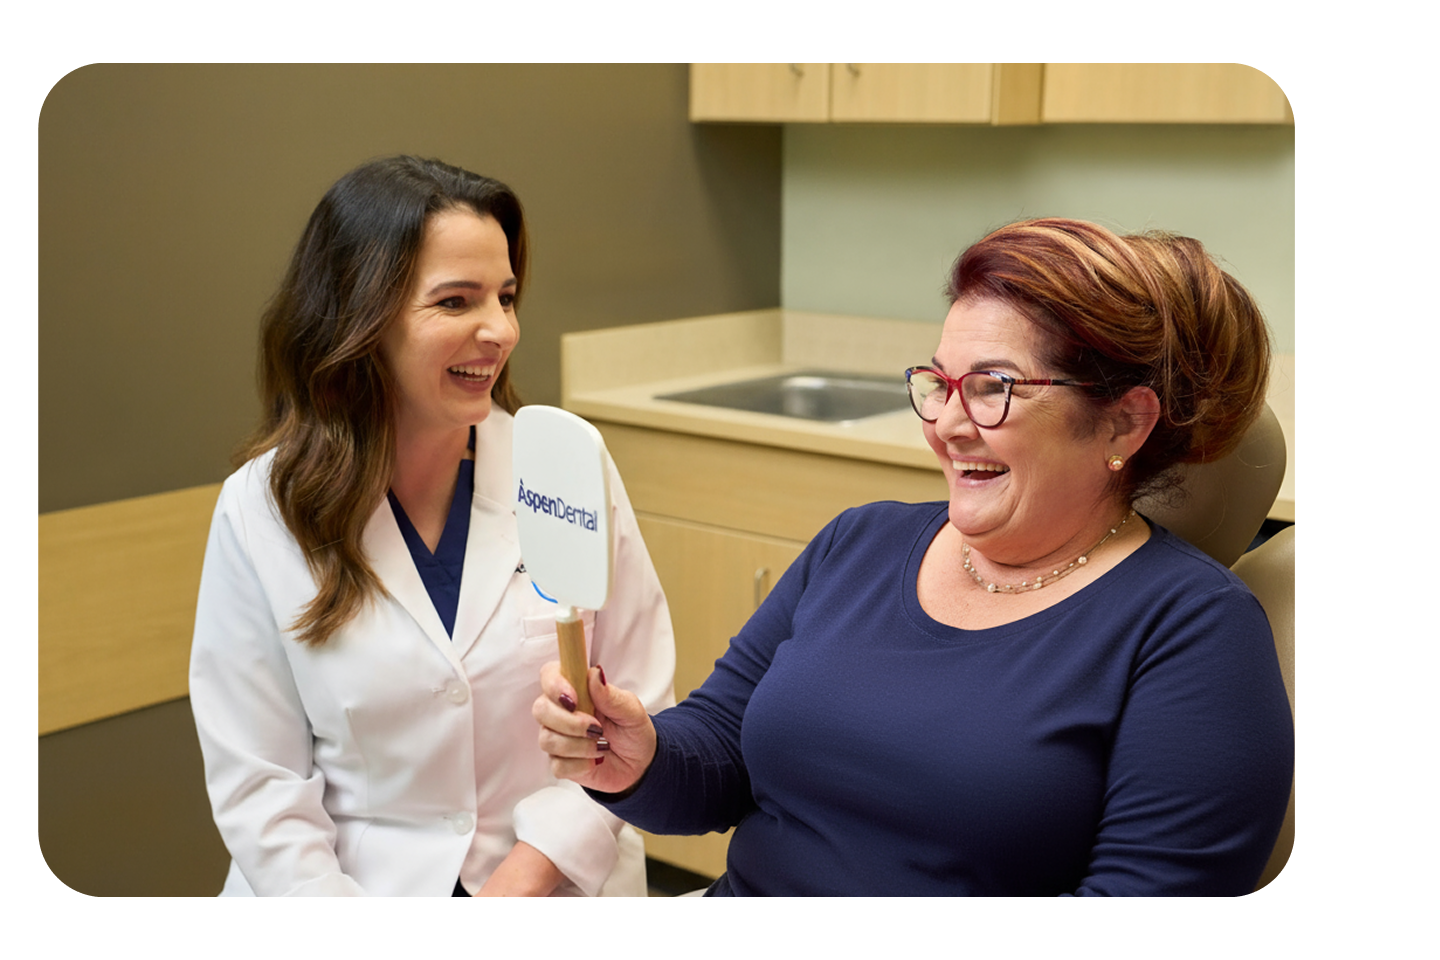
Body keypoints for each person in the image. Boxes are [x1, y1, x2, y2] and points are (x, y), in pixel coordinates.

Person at [534, 217, 1294, 896]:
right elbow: (719, 761)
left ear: (1124, 424)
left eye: (992, 388)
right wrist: (637, 758)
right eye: (939, 382)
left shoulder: (1193, 633)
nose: (947, 425)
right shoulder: (860, 543)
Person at [189, 156, 675, 896]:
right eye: (456, 302)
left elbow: (644, 695)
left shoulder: (561, 465)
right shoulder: (262, 509)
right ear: (360, 320)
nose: (501, 330)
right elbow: (262, 784)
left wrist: (524, 883)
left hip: (549, 883)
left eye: (506, 297)